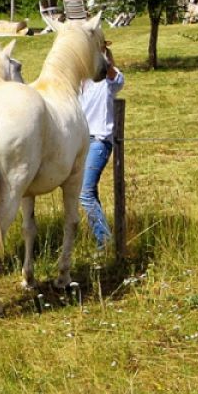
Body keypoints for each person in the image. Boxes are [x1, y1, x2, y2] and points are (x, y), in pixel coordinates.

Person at [77, 46, 124, 249]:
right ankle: (102, 240)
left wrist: (106, 58)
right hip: (78, 141)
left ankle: (104, 242)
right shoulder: (78, 83)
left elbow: (115, 77)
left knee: (84, 192)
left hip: (99, 141)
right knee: (86, 192)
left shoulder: (109, 81)